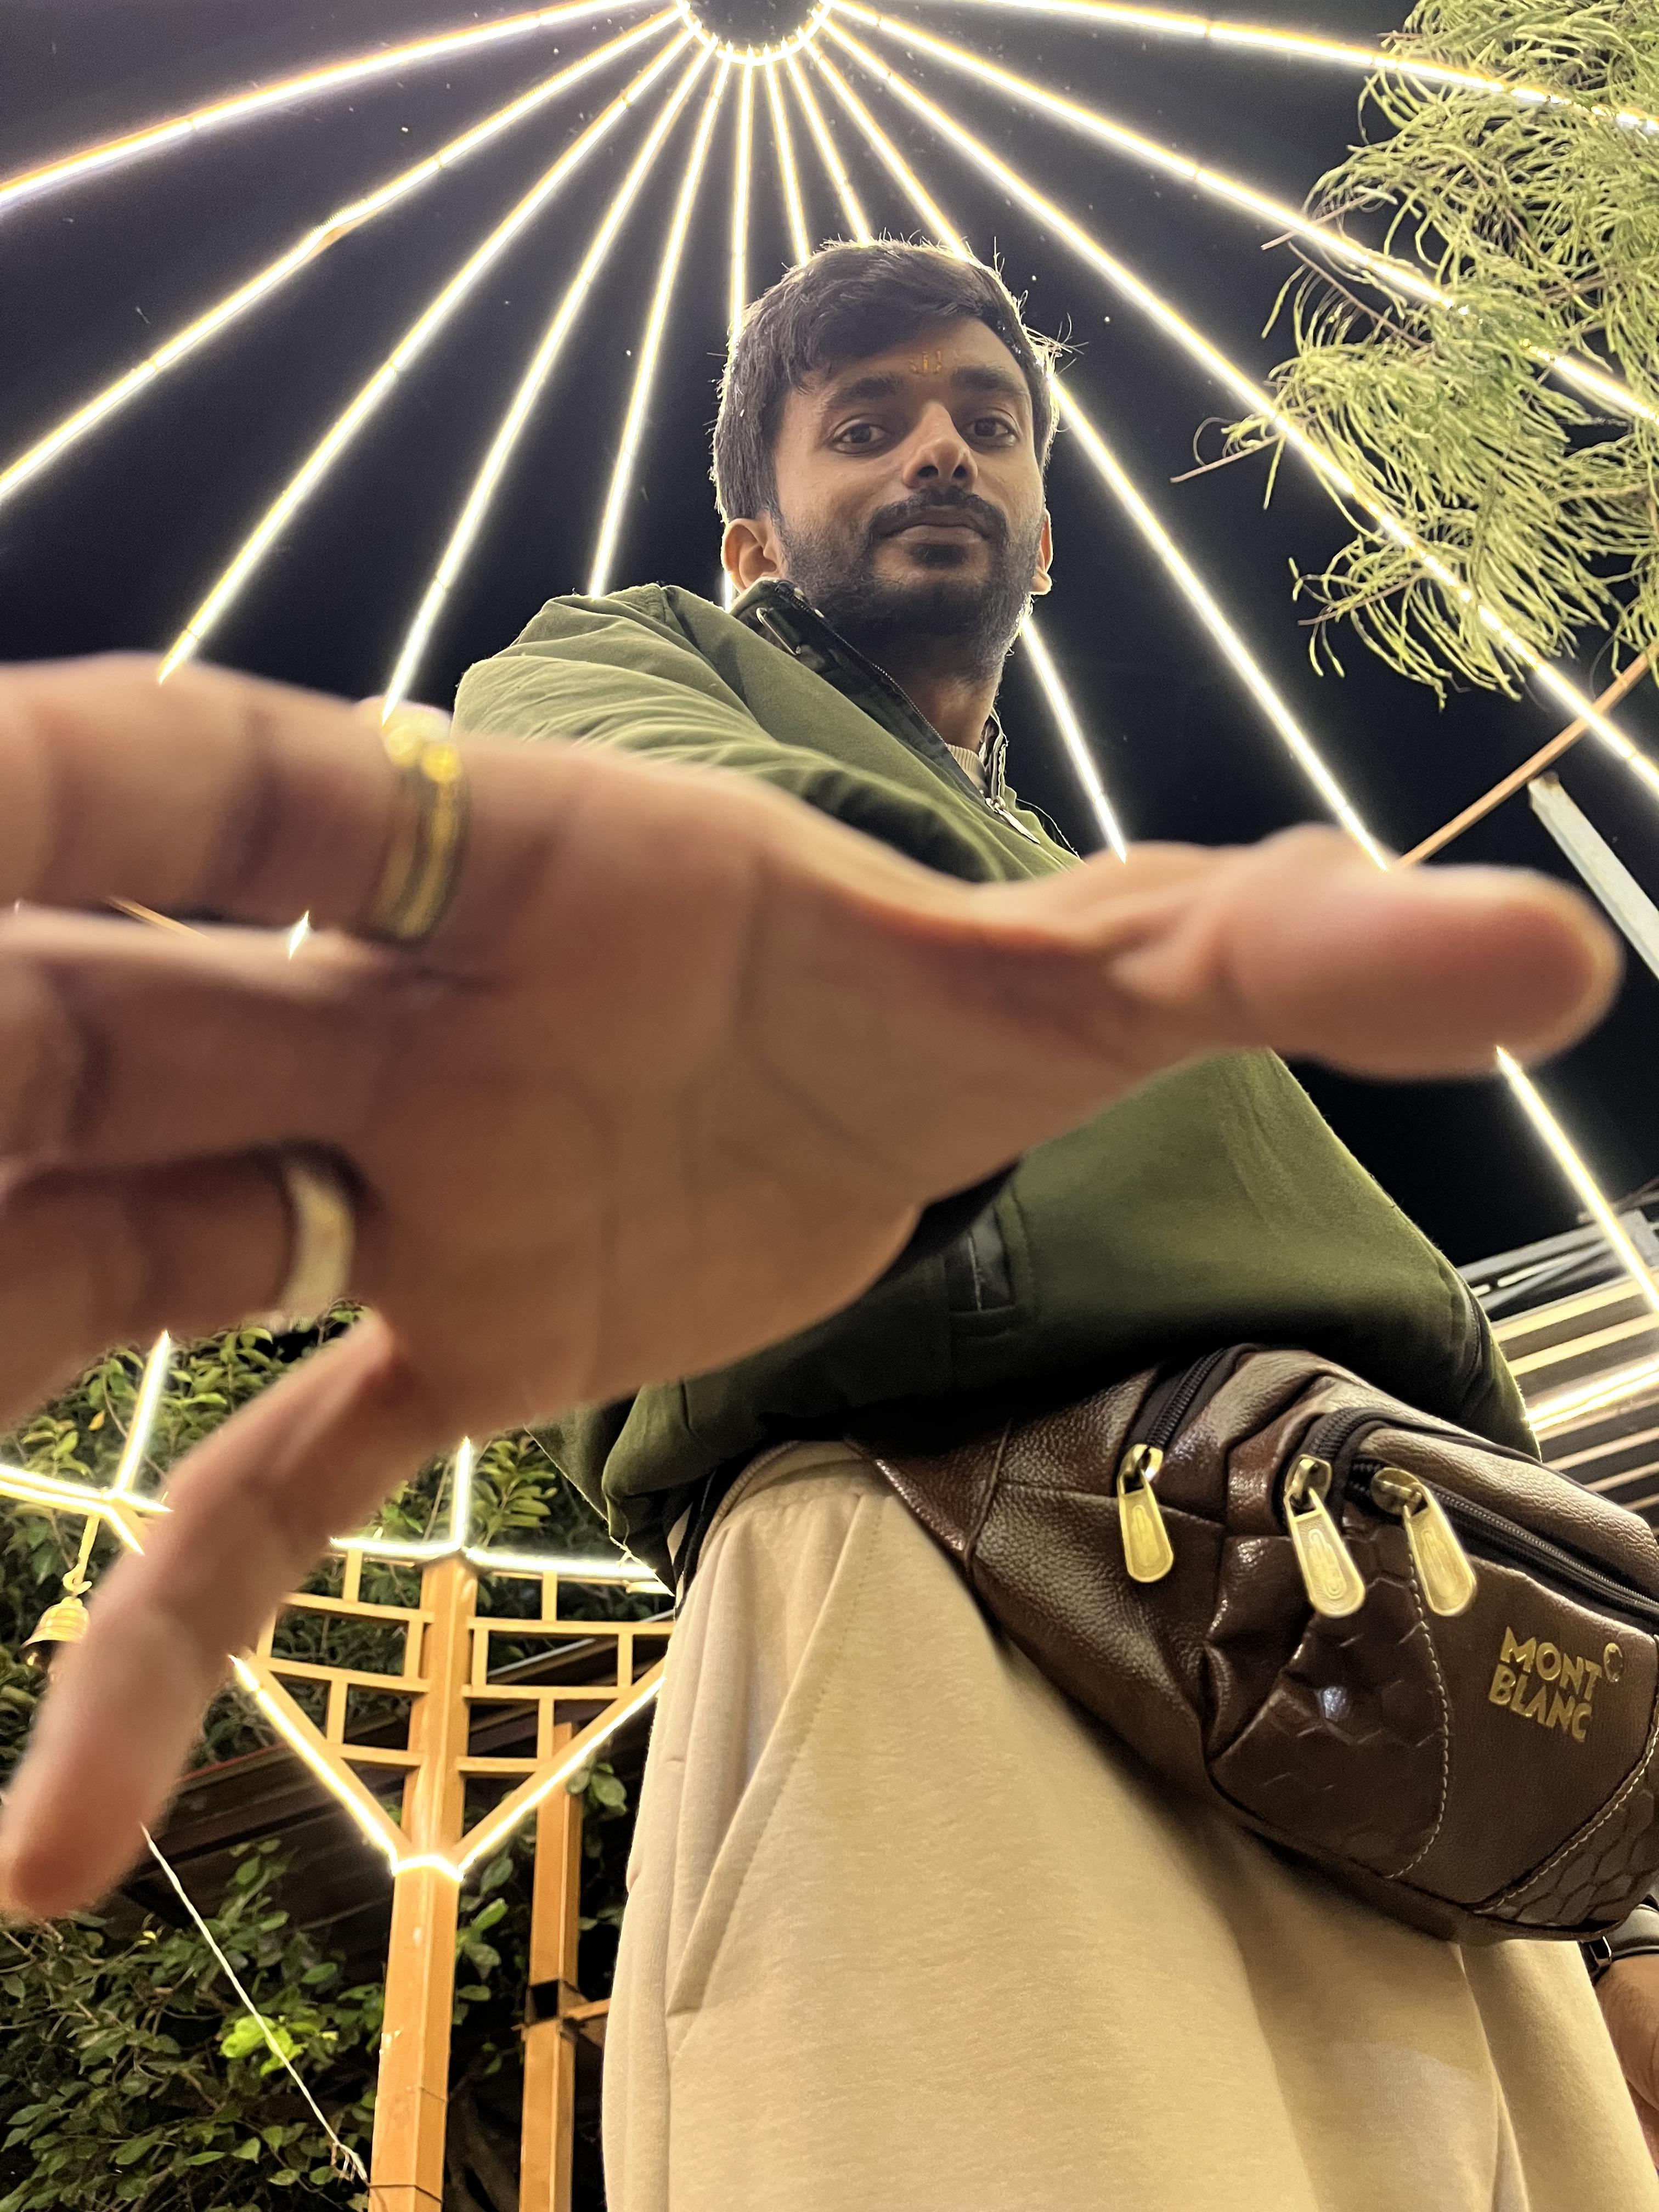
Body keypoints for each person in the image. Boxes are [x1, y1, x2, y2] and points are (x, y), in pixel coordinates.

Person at [0, 241, 1647, 2200]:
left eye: (988, 423)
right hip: (929, 1581)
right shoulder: (628, 661)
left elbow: (1426, 1346)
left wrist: (1616, 1891)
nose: (940, 452)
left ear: (1051, 535)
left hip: (1390, 1672)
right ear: (751, 542)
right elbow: (629, 802)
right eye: (864, 427)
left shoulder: (1082, 884)